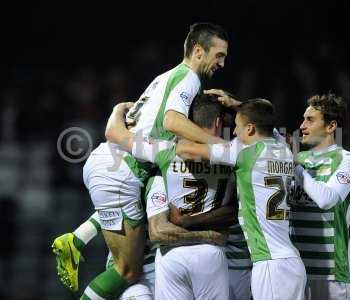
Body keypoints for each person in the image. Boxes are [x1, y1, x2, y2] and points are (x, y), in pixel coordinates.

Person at [51, 22, 229, 299]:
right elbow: (172, 120)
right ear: (198, 51)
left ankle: (77, 238)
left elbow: (127, 124)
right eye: (219, 55)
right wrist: (222, 147)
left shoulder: (163, 78)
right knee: (127, 270)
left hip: (110, 163)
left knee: (144, 207)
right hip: (122, 169)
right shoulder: (189, 79)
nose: (222, 62)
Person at [174, 99, 307, 300]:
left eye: (237, 126)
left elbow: (184, 149)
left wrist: (213, 140)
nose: (234, 132)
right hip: (290, 261)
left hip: (270, 263)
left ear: (251, 129)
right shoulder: (284, 151)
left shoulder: (244, 153)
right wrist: (238, 104)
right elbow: (266, 122)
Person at [106, 94, 235, 299]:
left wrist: (118, 109)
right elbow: (268, 139)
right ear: (219, 123)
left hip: (170, 255)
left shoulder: (166, 151)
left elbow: (115, 133)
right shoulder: (234, 156)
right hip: (210, 254)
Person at [290, 93, 350, 300]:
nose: (302, 125)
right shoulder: (298, 159)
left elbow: (327, 199)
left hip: (330, 274)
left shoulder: (348, 161)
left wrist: (296, 167)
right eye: (303, 119)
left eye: (310, 120)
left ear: (331, 126)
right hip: (295, 270)